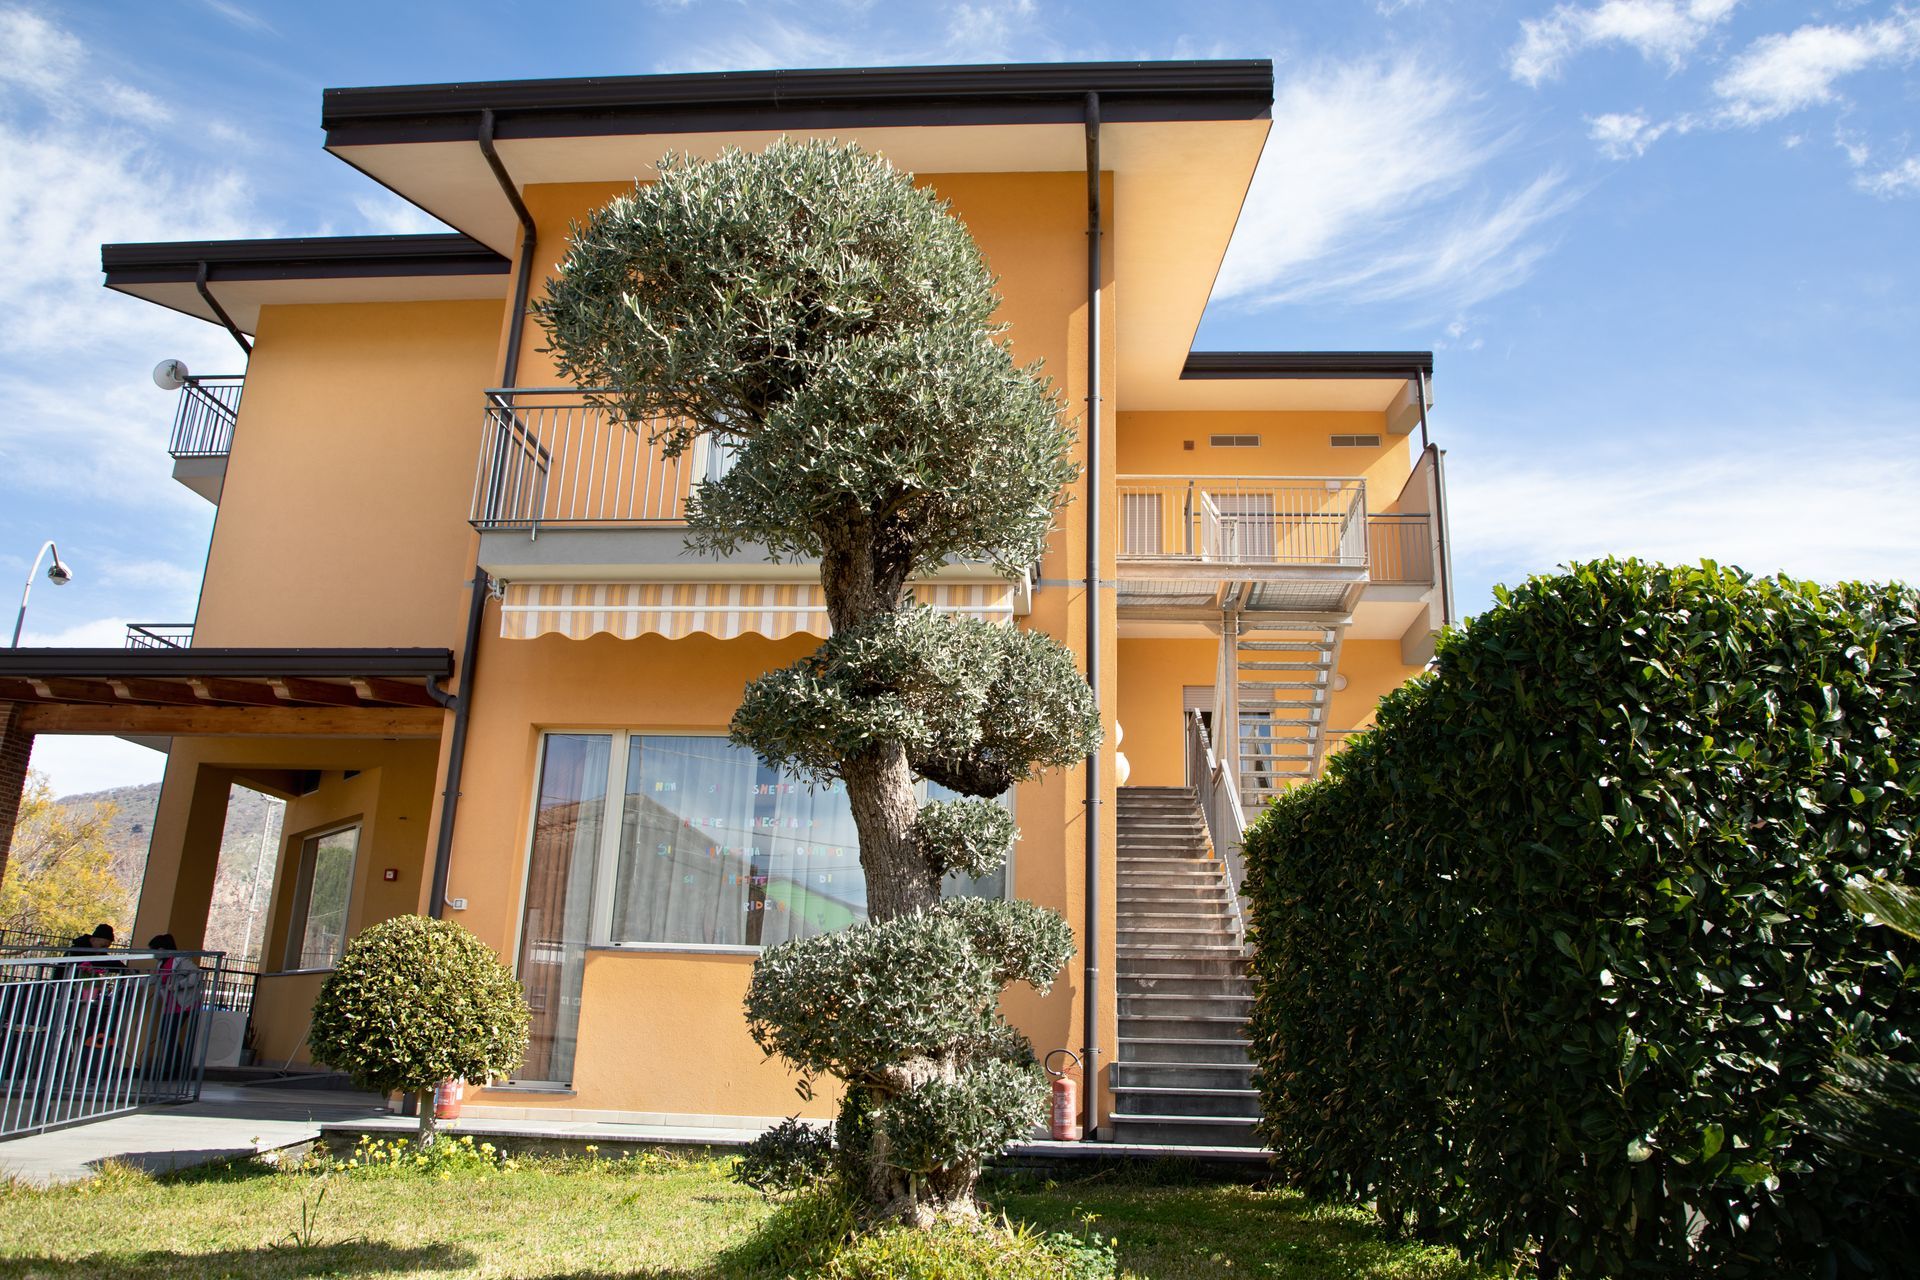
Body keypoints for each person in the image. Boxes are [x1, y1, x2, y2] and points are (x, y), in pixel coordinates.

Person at [145, 935, 201, 1085]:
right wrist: (134, 981)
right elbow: (154, 979)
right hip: (171, 1004)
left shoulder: (180, 961)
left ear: (162, 949)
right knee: (167, 1035)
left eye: (154, 951)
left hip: (184, 1004)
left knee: (168, 1035)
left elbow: (197, 975)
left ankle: (171, 1069)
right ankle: (176, 1068)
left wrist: (178, 985)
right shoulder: (162, 964)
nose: (153, 955)